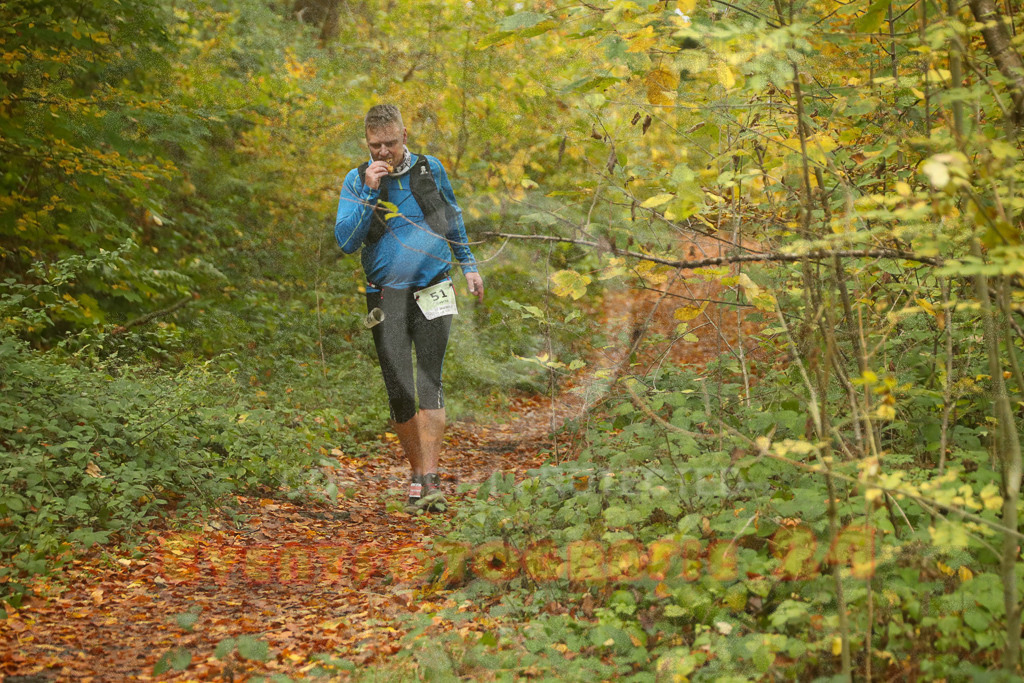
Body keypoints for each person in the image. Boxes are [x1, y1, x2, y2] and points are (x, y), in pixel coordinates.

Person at [334, 104, 484, 513]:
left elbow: (451, 217)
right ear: (366, 142)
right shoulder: (356, 179)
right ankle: (417, 471)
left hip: (434, 288)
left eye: (391, 143)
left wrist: (469, 266)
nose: (383, 153)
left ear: (405, 135)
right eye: (375, 146)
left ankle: (430, 478)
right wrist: (368, 190)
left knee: (429, 379)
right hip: (384, 296)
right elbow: (346, 243)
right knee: (399, 391)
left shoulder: (428, 169)